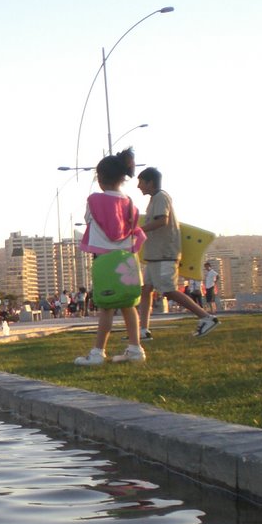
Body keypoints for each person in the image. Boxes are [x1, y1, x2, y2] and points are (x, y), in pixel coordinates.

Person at [74, 154, 146, 366]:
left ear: (100, 177)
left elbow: (89, 219)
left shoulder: (94, 200)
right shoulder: (130, 203)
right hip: (126, 260)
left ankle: (98, 353)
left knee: (106, 306)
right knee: (128, 304)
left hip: (104, 261)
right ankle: (135, 349)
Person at [135, 167, 219, 339]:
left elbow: (162, 221)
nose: (138, 186)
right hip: (154, 256)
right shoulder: (154, 199)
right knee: (146, 290)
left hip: (164, 255)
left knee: (169, 291)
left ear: (150, 182)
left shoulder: (161, 197)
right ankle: (143, 330)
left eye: (141, 182)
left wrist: (137, 231)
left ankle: (207, 318)